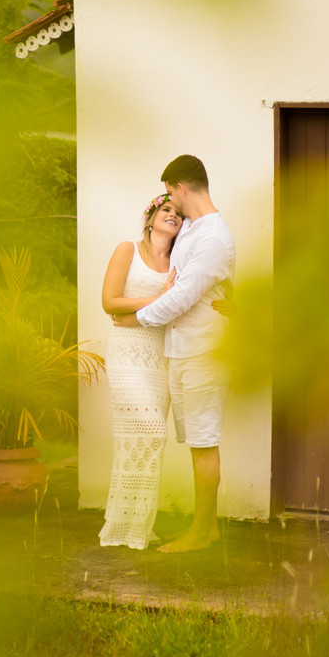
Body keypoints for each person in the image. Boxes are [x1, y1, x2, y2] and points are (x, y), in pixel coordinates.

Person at [113, 155, 235, 553]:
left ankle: (200, 534)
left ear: (180, 188)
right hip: (181, 350)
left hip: (204, 352)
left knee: (204, 441)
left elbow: (184, 295)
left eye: (170, 194)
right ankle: (208, 527)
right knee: (196, 440)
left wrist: (137, 320)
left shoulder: (212, 236)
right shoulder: (192, 232)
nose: (170, 204)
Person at [97, 193, 181, 549]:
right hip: (127, 355)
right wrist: (158, 298)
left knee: (142, 442)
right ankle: (126, 527)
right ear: (150, 217)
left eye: (179, 214)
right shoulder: (127, 250)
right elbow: (109, 303)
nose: (173, 216)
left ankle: (133, 527)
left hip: (159, 357)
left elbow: (170, 308)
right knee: (151, 430)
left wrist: (136, 314)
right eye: (166, 210)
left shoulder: (179, 261)